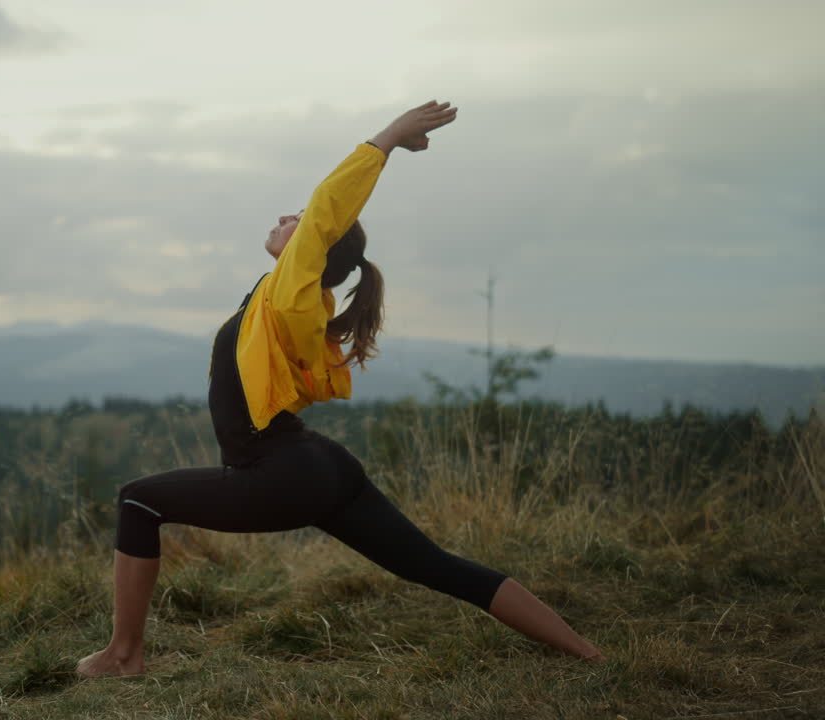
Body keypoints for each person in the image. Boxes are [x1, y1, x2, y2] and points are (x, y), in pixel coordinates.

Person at [76, 100, 605, 678]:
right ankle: (588, 653)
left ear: (316, 249)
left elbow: (331, 206)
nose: (286, 216)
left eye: (298, 219)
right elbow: (322, 225)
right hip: (319, 466)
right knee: (433, 564)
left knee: (137, 499)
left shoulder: (295, 292)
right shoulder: (294, 297)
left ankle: (123, 657)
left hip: (277, 471)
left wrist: (389, 138)